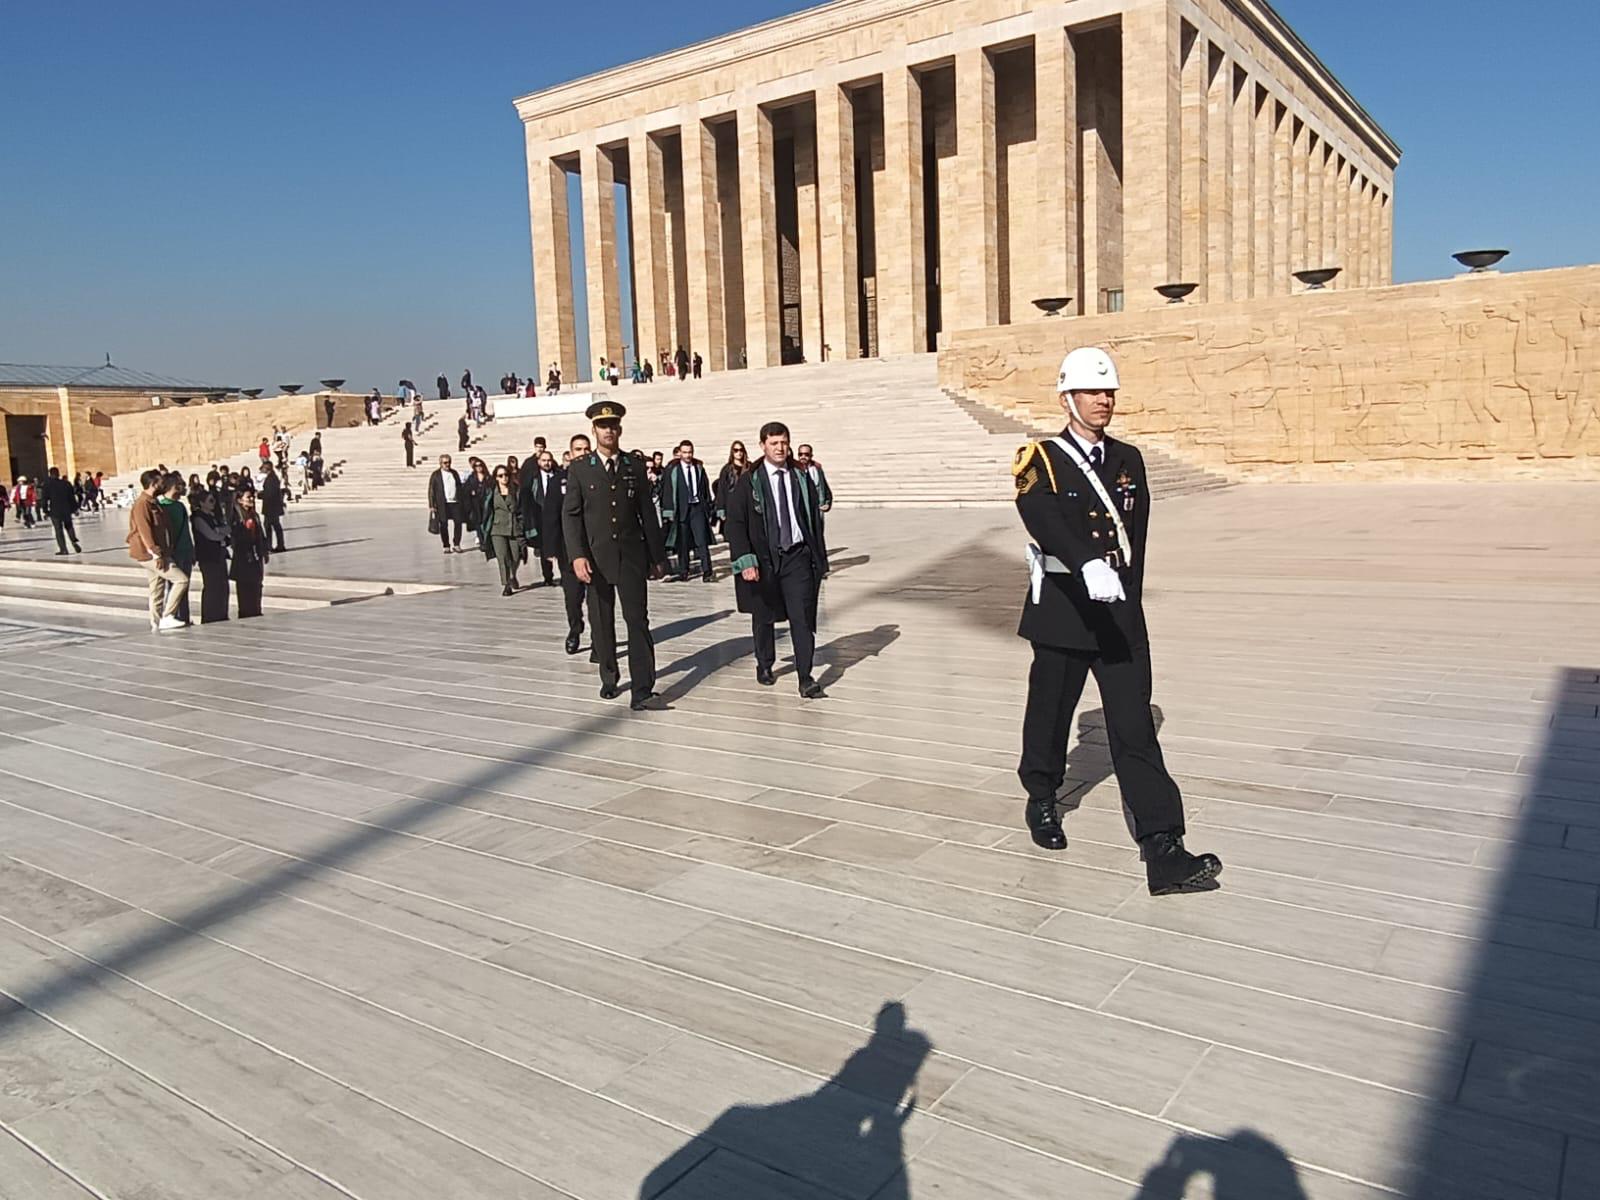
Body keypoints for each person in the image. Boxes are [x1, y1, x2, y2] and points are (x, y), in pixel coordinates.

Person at [1013, 346, 1222, 895]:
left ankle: (1163, 846)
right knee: (1051, 714)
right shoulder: (1041, 457)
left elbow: (1138, 536)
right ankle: (1042, 796)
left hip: (1117, 614)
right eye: (1092, 392)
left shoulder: (1129, 459)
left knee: (1133, 729)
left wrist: (1128, 597)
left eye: (1109, 393)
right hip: (1063, 608)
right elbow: (1041, 516)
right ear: (1067, 398)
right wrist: (1084, 563)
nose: (1104, 401)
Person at [562, 401, 669, 709]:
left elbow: (646, 513)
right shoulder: (580, 469)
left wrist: (657, 556)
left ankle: (643, 688)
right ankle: (609, 676)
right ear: (593, 430)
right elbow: (571, 515)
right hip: (596, 557)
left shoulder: (634, 465)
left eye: (613, 425)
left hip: (631, 555)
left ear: (619, 429)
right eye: (602, 426)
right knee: (601, 621)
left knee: (637, 620)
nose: (608, 430)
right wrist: (577, 555)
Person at [726, 421, 828, 698]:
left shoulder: (800, 475)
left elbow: (813, 520)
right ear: (762, 446)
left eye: (784, 442)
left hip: (797, 556)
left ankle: (805, 676)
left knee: (802, 617)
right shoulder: (750, 480)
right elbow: (735, 524)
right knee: (763, 617)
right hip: (763, 560)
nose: (780, 448)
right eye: (774, 443)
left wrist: (818, 556)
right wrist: (745, 561)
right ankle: (765, 663)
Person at [126, 468, 188, 632]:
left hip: (156, 552)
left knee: (157, 588)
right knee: (181, 580)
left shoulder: (153, 501)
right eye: (160, 481)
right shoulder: (142, 504)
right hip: (150, 554)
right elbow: (144, 530)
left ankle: (155, 623)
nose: (163, 484)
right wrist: (156, 553)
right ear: (153, 483)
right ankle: (168, 616)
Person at [663, 440, 714, 582]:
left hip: (697, 508)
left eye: (690, 452)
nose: (687, 455)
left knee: (701, 541)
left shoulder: (698, 468)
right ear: (679, 453)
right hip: (682, 509)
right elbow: (667, 491)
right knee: (683, 542)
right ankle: (684, 570)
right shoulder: (673, 470)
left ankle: (707, 571)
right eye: (685, 452)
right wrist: (668, 512)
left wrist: (708, 506)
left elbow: (705, 487)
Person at [480, 464, 528, 596]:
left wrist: (522, 524)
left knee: (516, 555)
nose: (504, 478)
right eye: (500, 476)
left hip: (514, 527)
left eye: (506, 475)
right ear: (496, 477)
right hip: (497, 528)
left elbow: (522, 509)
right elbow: (486, 509)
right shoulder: (491, 491)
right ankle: (506, 584)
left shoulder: (516, 490)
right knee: (503, 557)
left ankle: (512, 574)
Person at [156, 473, 195, 624]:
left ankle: (184, 617)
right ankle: (173, 615)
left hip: (185, 550)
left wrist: (192, 550)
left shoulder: (180, 506)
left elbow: (186, 529)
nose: (181, 489)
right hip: (174, 552)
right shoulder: (163, 507)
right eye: (178, 486)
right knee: (176, 586)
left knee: (184, 587)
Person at [191, 488, 230, 624]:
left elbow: (227, 529)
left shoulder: (214, 516)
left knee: (223, 586)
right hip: (208, 557)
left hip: (219, 555)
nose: (213, 503)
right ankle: (210, 616)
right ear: (202, 503)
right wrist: (221, 535)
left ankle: (222, 613)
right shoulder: (198, 518)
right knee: (212, 586)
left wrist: (220, 532)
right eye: (210, 501)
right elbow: (211, 535)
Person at [230, 490, 270, 618]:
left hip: (256, 555)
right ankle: (245, 612)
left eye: (252, 496)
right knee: (244, 586)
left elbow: (261, 534)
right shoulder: (235, 516)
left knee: (257, 584)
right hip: (243, 556)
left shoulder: (255, 515)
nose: (251, 499)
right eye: (248, 497)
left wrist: (264, 550)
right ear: (240, 500)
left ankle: (256, 609)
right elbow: (234, 536)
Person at [428, 454, 466, 553]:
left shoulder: (454, 473)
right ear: (440, 464)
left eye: (449, 462)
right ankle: (446, 545)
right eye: (445, 463)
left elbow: (459, 487)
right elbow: (431, 490)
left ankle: (457, 544)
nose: (447, 464)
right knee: (443, 524)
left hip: (455, 502)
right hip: (442, 503)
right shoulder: (436, 475)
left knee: (458, 523)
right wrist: (432, 505)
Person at [714, 440, 750, 539]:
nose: (739, 452)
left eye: (741, 450)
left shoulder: (749, 467)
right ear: (732, 452)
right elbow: (721, 490)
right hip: (732, 506)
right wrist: (721, 509)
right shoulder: (726, 469)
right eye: (736, 450)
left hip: (747, 505)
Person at [42, 467, 82, 555]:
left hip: (55, 511)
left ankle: (63, 549)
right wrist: (75, 509)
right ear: (58, 474)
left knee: (58, 530)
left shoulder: (47, 485)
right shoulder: (66, 484)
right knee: (69, 526)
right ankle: (73, 540)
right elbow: (72, 498)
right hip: (66, 509)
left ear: (50, 474)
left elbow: (44, 499)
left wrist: (45, 510)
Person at [259, 458, 287, 553]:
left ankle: (272, 546)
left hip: (271, 508)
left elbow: (270, 494)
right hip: (272, 507)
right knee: (274, 526)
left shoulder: (271, 479)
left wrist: (260, 495)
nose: (262, 469)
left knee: (270, 526)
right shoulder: (272, 477)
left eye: (264, 468)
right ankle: (277, 545)